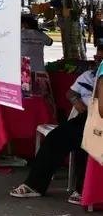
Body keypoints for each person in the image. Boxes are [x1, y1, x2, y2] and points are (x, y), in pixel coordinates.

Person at [11, 61, 100, 204]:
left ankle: (84, 190)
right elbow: (71, 93)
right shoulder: (89, 75)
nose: (98, 60)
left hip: (99, 119)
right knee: (55, 138)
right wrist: (76, 101)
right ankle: (35, 185)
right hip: (85, 117)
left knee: (87, 145)